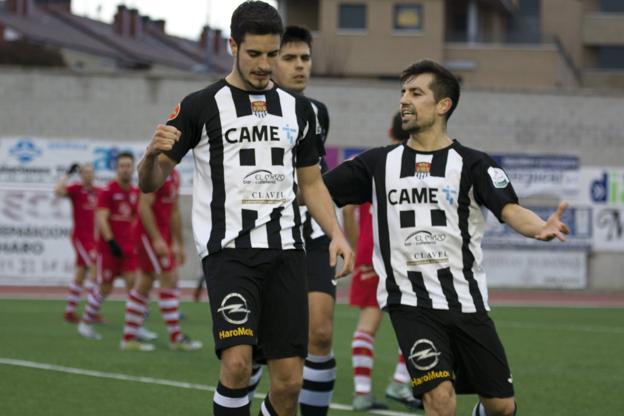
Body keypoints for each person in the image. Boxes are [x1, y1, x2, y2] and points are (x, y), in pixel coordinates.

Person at [137, 2, 353, 416]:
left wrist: (337, 234)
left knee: (289, 382)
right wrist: (150, 156)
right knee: (237, 365)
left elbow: (311, 183)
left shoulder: (300, 111)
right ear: (232, 45)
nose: (264, 64)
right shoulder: (201, 105)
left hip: (288, 253)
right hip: (230, 254)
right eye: (254, 54)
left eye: (272, 54)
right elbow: (151, 182)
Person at [323, 59, 569, 416]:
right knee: (439, 399)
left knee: (501, 407)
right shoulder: (377, 163)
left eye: (416, 93)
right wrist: (335, 234)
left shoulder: (475, 164)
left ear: (443, 105)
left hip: (468, 303)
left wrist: (539, 227)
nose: (404, 100)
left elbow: (511, 210)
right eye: (403, 92)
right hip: (411, 303)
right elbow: (316, 190)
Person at [257, 25, 338, 416]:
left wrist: (335, 228)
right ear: (271, 61)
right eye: (289, 58)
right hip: (262, 237)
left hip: (310, 236)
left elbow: (313, 176)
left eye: (304, 58)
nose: (299, 66)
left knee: (320, 333)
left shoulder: (317, 112)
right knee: (256, 352)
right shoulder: (247, 105)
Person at [343, 112, 423, 411]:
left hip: (371, 252)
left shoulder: (374, 163)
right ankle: (399, 384)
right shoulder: (421, 169)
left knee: (369, 321)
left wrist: (356, 244)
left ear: (389, 132)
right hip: (408, 254)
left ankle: (362, 393)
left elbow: (349, 208)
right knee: (415, 321)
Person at [120, 168, 203, 351]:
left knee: (144, 283)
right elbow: (143, 206)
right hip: (148, 235)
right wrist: (157, 238)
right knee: (170, 277)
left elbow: (174, 211)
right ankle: (175, 337)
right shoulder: (155, 172)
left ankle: (128, 338)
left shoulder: (174, 175)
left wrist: (178, 242)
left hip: (162, 235)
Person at [78, 151, 140, 341]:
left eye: (128, 166)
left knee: (135, 287)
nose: (125, 169)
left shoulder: (136, 192)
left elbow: (136, 219)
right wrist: (111, 241)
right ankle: (85, 322)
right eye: (121, 166)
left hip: (129, 249)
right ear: (116, 168)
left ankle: (135, 328)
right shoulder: (107, 191)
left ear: (133, 168)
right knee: (105, 288)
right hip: (109, 250)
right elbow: (101, 218)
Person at [54, 162, 100, 323]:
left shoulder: (98, 192)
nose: (88, 174)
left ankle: (70, 312)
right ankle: (91, 312)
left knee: (80, 274)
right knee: (95, 270)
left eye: (90, 172)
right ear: (81, 175)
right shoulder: (76, 189)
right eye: (85, 172)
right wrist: (67, 174)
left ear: (94, 174)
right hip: (81, 238)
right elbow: (58, 191)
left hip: (93, 239)